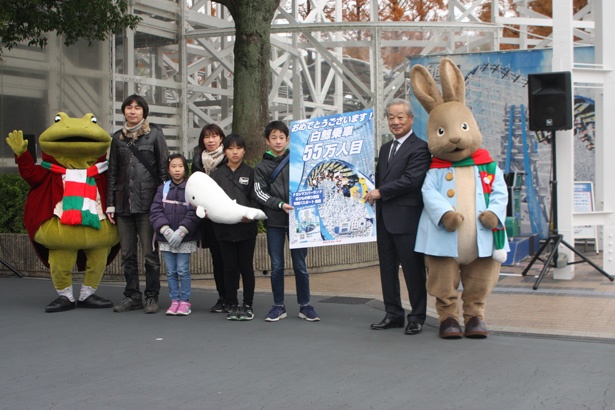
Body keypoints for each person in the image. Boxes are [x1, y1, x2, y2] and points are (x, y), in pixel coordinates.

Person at [364, 98, 431, 335]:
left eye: (400, 116)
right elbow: (378, 180)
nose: (395, 121)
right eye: (391, 117)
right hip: (384, 219)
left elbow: (412, 180)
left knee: (413, 270)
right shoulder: (385, 148)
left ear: (411, 119)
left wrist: (381, 192)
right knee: (387, 270)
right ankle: (393, 313)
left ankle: (417, 316)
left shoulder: (421, 147)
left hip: (407, 219)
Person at [106, 94, 169, 314]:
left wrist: (163, 202)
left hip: (149, 203)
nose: (133, 111)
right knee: (127, 254)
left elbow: (163, 170)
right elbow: (112, 173)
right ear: (124, 111)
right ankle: (132, 295)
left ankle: (151, 296)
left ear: (144, 112)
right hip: (123, 205)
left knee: (150, 254)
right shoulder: (117, 138)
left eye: (137, 108)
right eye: (129, 108)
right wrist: (110, 204)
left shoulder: (155, 135)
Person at [253, 120, 320, 322]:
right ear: (267, 141)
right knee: (276, 265)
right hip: (274, 221)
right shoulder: (261, 166)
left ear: (288, 139)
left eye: (282, 137)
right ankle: (278, 306)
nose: (278, 141)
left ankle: (305, 305)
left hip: (299, 221)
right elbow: (259, 193)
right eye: (273, 138)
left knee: (300, 265)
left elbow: (310, 181)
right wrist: (279, 204)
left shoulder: (298, 160)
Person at [210, 134, 258, 321]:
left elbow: (256, 197)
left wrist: (251, 214)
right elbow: (210, 199)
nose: (235, 152)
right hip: (224, 229)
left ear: (244, 150)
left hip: (246, 229)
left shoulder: (251, 172)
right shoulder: (217, 174)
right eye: (230, 148)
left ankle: (248, 304)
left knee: (246, 267)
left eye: (238, 148)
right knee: (229, 267)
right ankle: (231, 303)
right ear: (224, 151)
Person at [150, 153, 201, 316]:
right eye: (173, 167)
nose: (177, 170)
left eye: (180, 166)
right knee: (170, 271)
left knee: (183, 269)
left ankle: (185, 301)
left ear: (185, 169)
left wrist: (182, 231)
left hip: (184, 238)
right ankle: (174, 301)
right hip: (166, 238)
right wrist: (165, 230)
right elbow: (155, 211)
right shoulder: (162, 189)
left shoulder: (191, 189)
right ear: (168, 169)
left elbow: (194, 212)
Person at [192, 124, 229, 313]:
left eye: (215, 136)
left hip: (227, 216)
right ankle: (222, 297)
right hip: (207, 218)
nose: (211, 140)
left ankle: (233, 297)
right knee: (217, 258)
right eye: (207, 137)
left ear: (222, 138)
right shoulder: (198, 161)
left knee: (230, 258)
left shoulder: (229, 158)